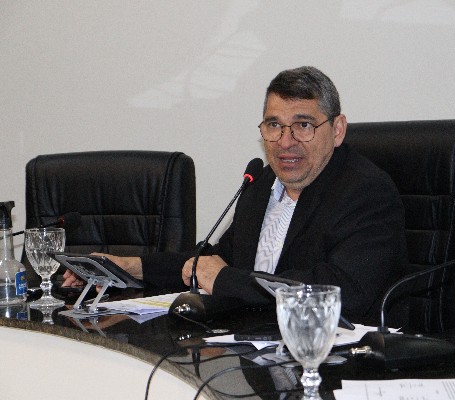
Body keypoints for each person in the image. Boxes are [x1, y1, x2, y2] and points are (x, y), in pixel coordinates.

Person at [63, 66, 408, 321]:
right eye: (274, 125)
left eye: (303, 125)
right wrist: (129, 267)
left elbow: (343, 291)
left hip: (338, 362)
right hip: (258, 349)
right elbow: (213, 262)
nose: (285, 142)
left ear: (337, 130)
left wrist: (226, 280)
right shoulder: (262, 186)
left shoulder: (365, 191)